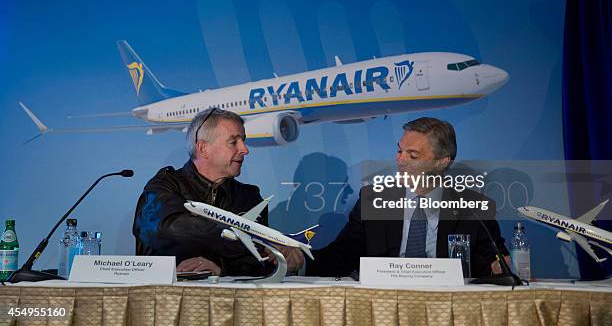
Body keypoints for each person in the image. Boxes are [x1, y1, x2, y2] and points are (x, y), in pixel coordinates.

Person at [306, 117, 509, 278]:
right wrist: (301, 260)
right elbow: (343, 254)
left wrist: (497, 267)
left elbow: (492, 261)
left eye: (412, 155)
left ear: (442, 161)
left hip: (447, 303)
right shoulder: (373, 200)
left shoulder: (474, 207)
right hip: (384, 302)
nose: (400, 160)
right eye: (399, 151)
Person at [133, 108, 303, 275]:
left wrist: (282, 257)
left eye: (243, 140)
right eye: (233, 142)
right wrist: (250, 238)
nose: (245, 149)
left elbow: (259, 261)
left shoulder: (249, 198)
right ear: (203, 148)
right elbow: (166, 228)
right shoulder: (165, 186)